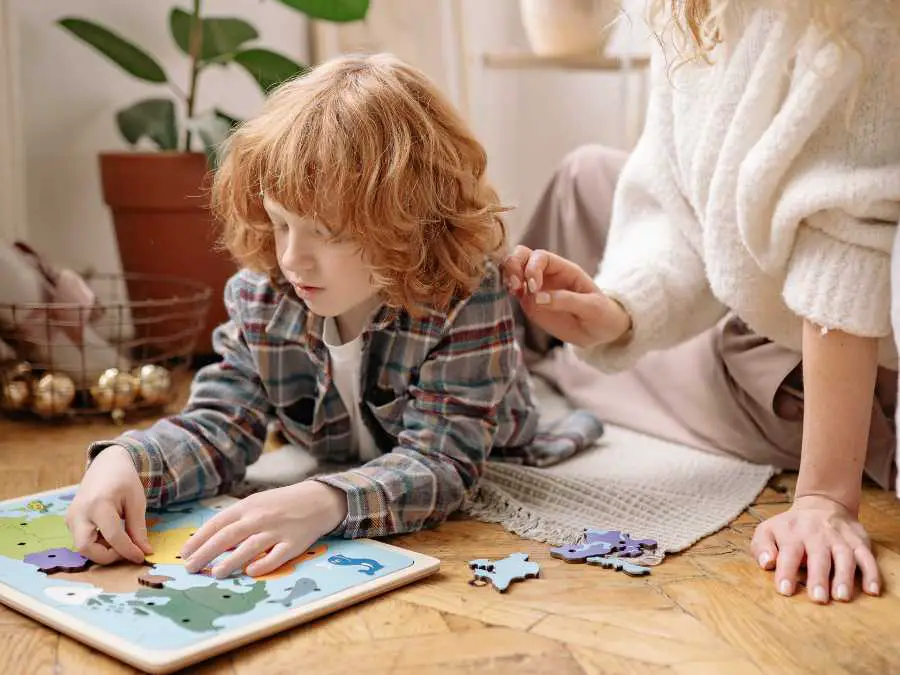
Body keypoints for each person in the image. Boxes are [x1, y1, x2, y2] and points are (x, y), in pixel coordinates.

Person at [65, 53, 602, 580]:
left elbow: (442, 464)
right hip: (344, 450)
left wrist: (324, 500)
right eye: (280, 223)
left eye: (329, 232)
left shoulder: (467, 293)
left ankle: (561, 380)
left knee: (554, 401)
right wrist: (128, 461)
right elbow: (220, 423)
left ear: (411, 223)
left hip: (495, 438)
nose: (293, 258)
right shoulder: (263, 295)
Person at [504, 0, 899, 605]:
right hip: (755, 285)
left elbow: (847, 246)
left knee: (604, 371)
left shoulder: (858, 18)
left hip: (842, 357)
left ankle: (530, 375)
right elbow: (680, 194)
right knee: (582, 176)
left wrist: (824, 498)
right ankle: (499, 367)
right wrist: (619, 308)